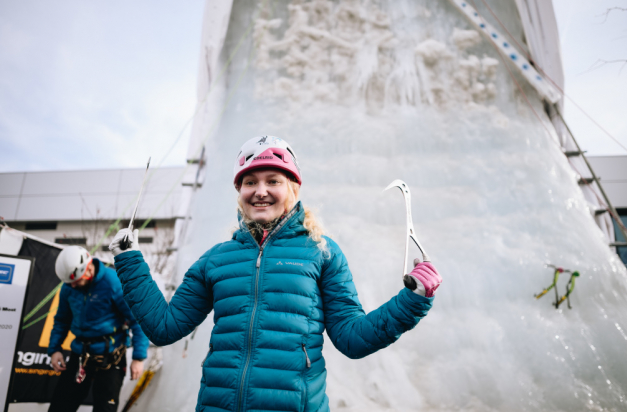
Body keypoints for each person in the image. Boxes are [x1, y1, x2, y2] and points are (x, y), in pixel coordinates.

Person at [109, 135, 442, 412]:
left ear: (293, 188)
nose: (260, 190)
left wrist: (412, 301)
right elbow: (165, 327)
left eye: (273, 181)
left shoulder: (322, 253)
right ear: (239, 192)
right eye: (249, 181)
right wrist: (129, 260)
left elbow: (353, 338)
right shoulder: (217, 259)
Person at [48, 245, 149, 412]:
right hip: (80, 355)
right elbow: (61, 320)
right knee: (60, 406)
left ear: (87, 270)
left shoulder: (113, 282)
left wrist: (138, 358)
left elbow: (137, 320)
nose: (72, 286)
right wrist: (54, 349)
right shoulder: (69, 287)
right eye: (69, 283)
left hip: (111, 357)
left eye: (75, 282)